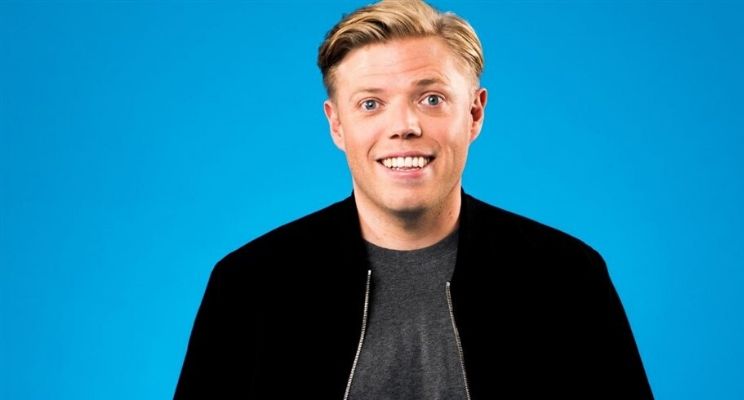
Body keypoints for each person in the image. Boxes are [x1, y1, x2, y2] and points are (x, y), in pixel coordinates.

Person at [174, 0, 654, 398]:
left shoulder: (567, 278)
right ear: (336, 124)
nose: (404, 126)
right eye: (370, 103)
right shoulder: (250, 285)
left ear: (474, 113)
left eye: (431, 99)